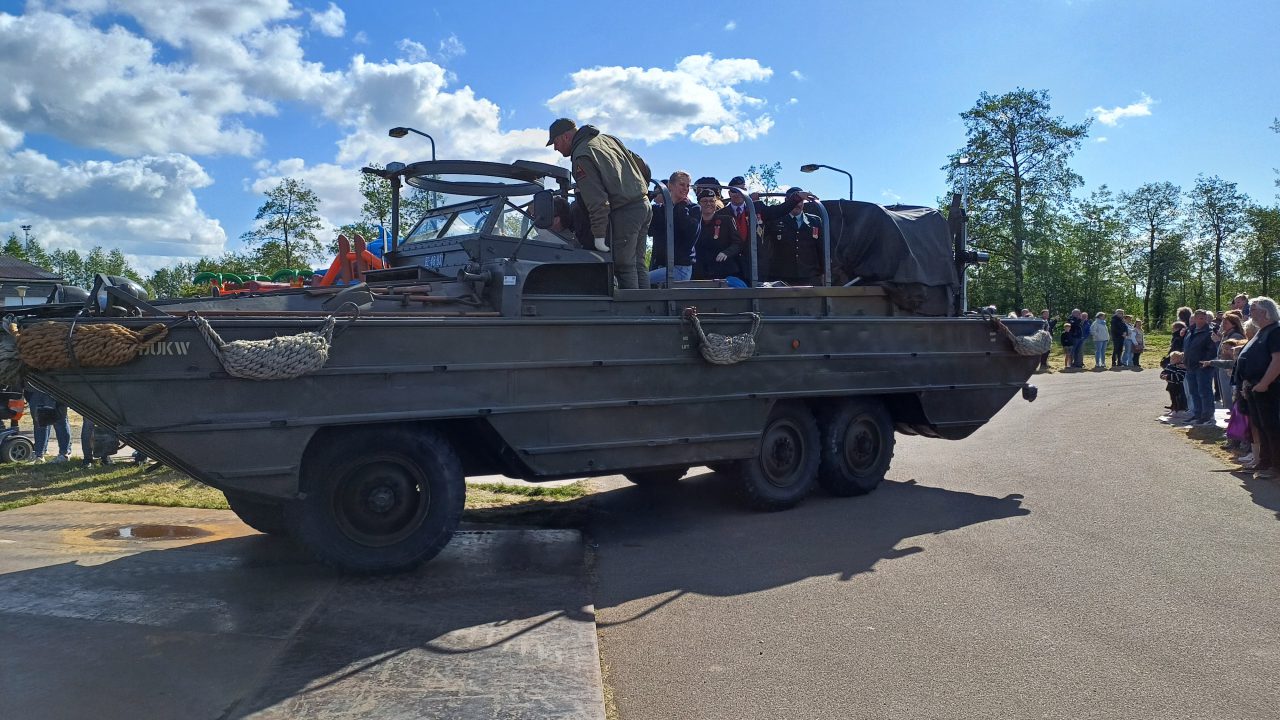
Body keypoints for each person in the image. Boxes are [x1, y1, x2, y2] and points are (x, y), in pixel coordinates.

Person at [548, 118, 652, 289]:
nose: (555, 148)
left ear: (566, 137)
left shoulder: (582, 155)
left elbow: (597, 203)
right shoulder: (608, 139)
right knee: (638, 263)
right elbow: (641, 165)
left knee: (623, 266)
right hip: (643, 204)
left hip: (625, 212)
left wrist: (599, 236)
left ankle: (633, 306)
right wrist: (637, 188)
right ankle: (649, 305)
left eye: (556, 142)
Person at [1234, 297, 1280, 479]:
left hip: (1269, 388)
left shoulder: (1275, 331)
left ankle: (1276, 466)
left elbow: (1278, 360)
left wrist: (1264, 383)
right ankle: (1265, 461)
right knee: (1261, 426)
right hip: (1255, 387)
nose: (1249, 312)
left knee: (1272, 426)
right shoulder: (1262, 332)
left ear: (1265, 312)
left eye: (1253, 309)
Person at [764, 187, 825, 286]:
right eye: (795, 200)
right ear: (786, 201)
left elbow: (821, 248)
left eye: (800, 201)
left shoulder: (814, 221)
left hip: (809, 276)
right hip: (781, 276)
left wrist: (824, 272)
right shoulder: (775, 220)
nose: (798, 204)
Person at [647, 171, 699, 285]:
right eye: (682, 184)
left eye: (688, 186)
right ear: (670, 186)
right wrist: (648, 198)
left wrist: (681, 207)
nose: (685, 188)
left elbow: (691, 235)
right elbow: (650, 231)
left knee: (641, 281)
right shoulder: (659, 210)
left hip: (680, 268)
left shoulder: (693, 209)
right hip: (660, 265)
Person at [691, 189, 744, 281]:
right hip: (700, 272)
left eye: (712, 201)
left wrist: (726, 252)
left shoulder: (727, 220)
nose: (708, 204)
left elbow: (737, 243)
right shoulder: (693, 222)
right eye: (704, 201)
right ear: (698, 204)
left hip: (724, 271)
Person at [1182, 309, 1219, 425]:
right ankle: (1197, 414)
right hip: (1190, 366)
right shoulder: (1190, 331)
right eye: (1198, 318)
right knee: (1193, 391)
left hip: (1203, 367)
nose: (1200, 320)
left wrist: (1203, 362)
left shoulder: (1209, 332)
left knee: (1204, 391)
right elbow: (1187, 348)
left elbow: (1212, 350)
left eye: (1203, 318)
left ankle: (1207, 415)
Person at [24, 387, 70, 462]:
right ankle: (39, 454)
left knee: (60, 422)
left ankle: (64, 454)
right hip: (35, 388)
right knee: (40, 422)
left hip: (56, 388)